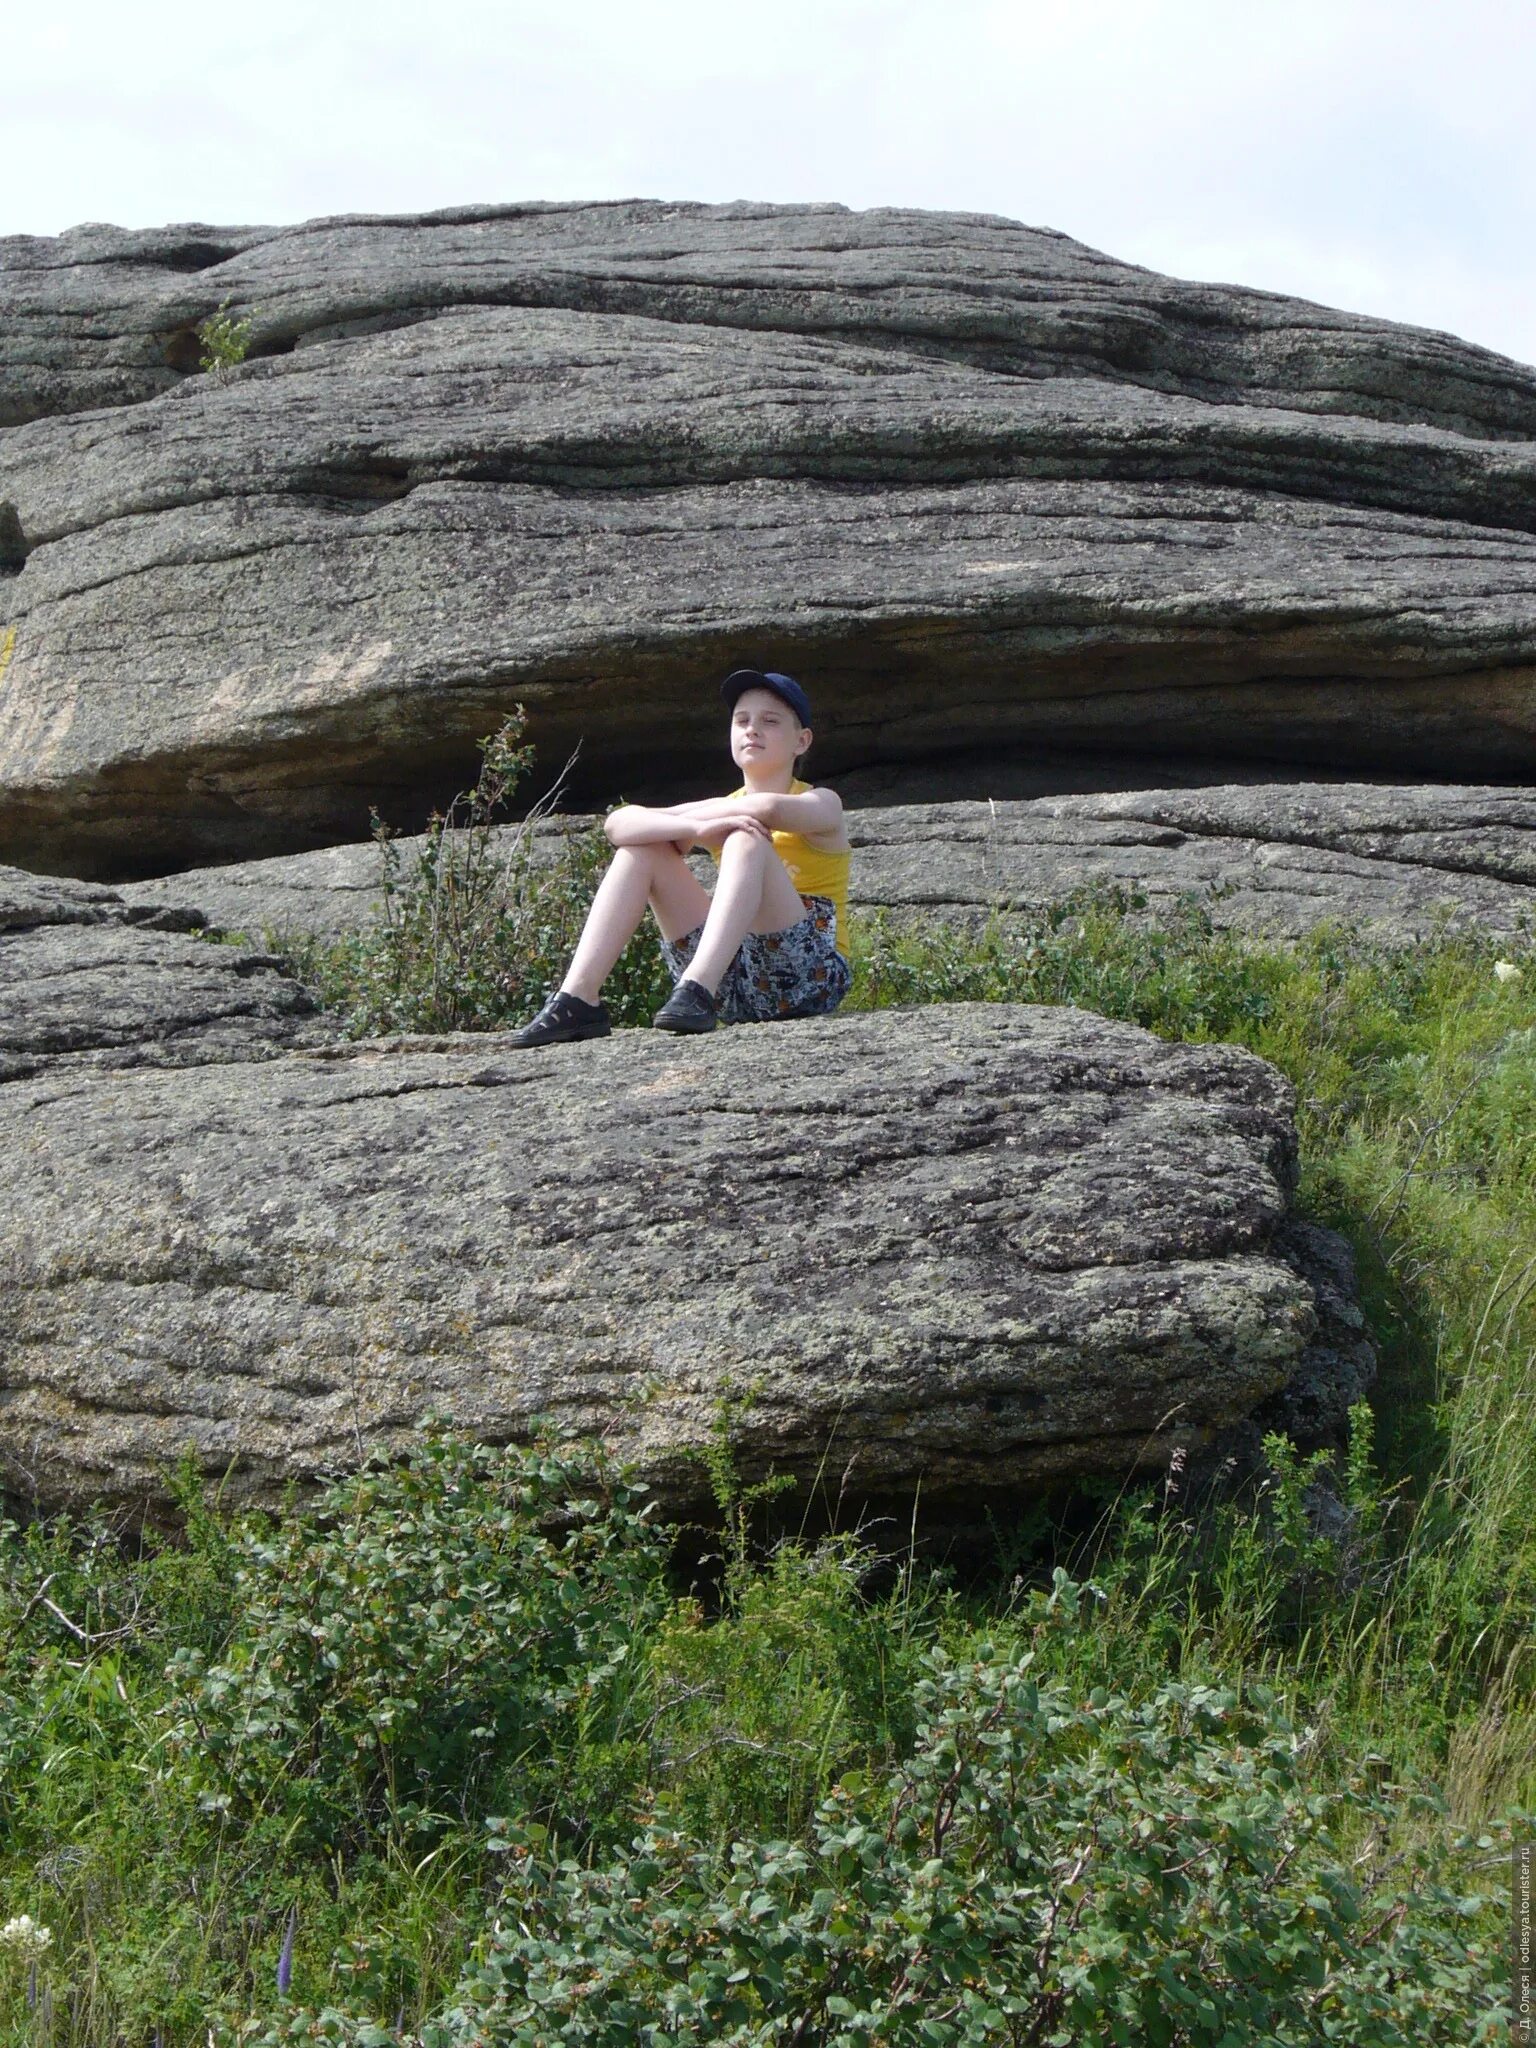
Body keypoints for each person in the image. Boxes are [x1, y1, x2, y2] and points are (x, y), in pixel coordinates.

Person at [508, 668, 853, 1045]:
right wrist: (692, 830)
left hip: (807, 979)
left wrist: (700, 819)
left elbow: (769, 808)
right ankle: (577, 999)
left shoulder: (821, 803)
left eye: (770, 721)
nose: (752, 729)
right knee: (641, 851)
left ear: (801, 741)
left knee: (745, 838)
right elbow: (618, 824)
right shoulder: (722, 806)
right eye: (742, 720)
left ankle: (697, 988)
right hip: (734, 979)